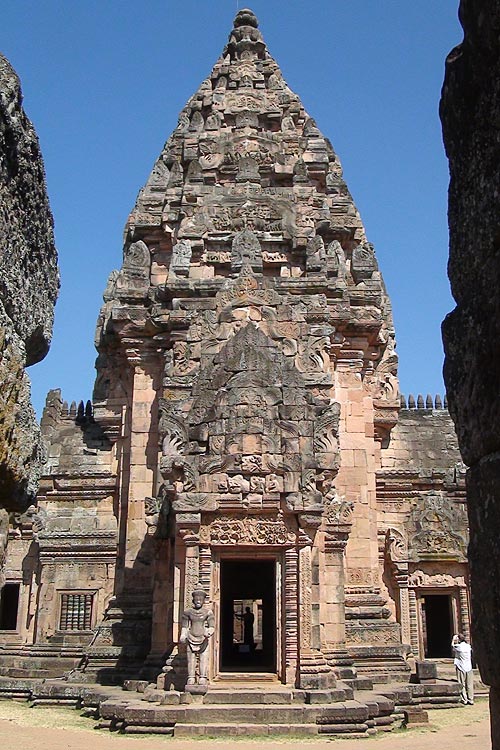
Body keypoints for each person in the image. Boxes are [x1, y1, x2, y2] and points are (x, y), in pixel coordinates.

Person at [180, 585, 215, 686]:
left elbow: (212, 626)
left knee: (204, 657)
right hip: (191, 637)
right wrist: (183, 635)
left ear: (204, 600)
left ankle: (202, 677)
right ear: (193, 599)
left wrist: (209, 631)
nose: (198, 601)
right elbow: (185, 626)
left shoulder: (208, 612)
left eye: (201, 599)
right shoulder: (188, 613)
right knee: (190, 658)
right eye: (196, 599)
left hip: (203, 638)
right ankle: (191, 677)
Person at [451, 632, 474, 704]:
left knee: (462, 684)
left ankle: (464, 699)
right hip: (469, 667)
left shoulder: (459, 647)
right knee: (469, 684)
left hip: (461, 667)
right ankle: (471, 699)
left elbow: (452, 646)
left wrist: (453, 639)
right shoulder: (468, 646)